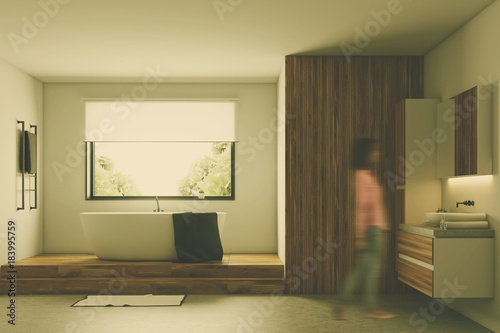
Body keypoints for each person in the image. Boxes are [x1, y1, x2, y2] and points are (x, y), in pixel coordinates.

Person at [335, 138, 397, 320]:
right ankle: (367, 306)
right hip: (373, 230)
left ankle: (346, 303)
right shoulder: (362, 177)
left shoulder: (367, 175)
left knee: (366, 268)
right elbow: (362, 207)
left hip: (376, 228)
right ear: (367, 153)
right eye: (375, 150)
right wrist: (360, 235)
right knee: (370, 269)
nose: (378, 153)